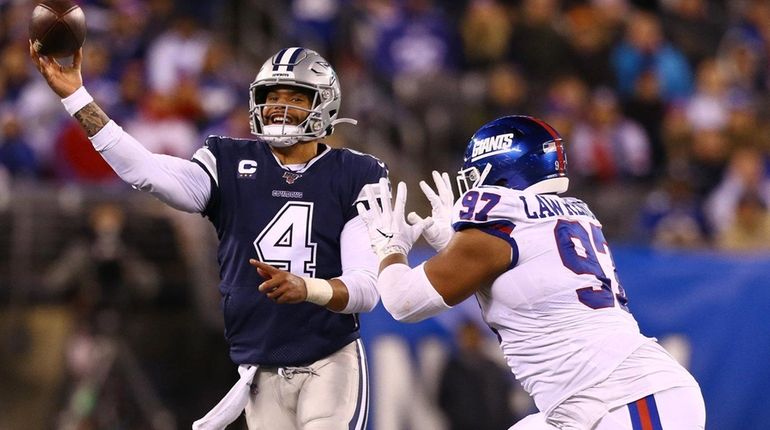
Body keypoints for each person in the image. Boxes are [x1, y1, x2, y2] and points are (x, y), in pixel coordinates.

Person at [30, 44, 385, 430]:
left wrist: (308, 288)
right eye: (273, 97)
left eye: (296, 98)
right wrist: (76, 97)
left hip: (328, 361)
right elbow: (146, 171)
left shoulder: (356, 173)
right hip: (260, 368)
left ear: (324, 105)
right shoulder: (229, 162)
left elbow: (365, 289)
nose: (280, 108)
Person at [356, 115, 706, 429]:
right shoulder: (566, 215)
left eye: (476, 176)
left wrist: (390, 248)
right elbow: (517, 275)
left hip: (629, 397)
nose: (472, 187)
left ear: (501, 169)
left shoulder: (501, 225)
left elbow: (403, 301)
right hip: (591, 403)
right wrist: (453, 244)